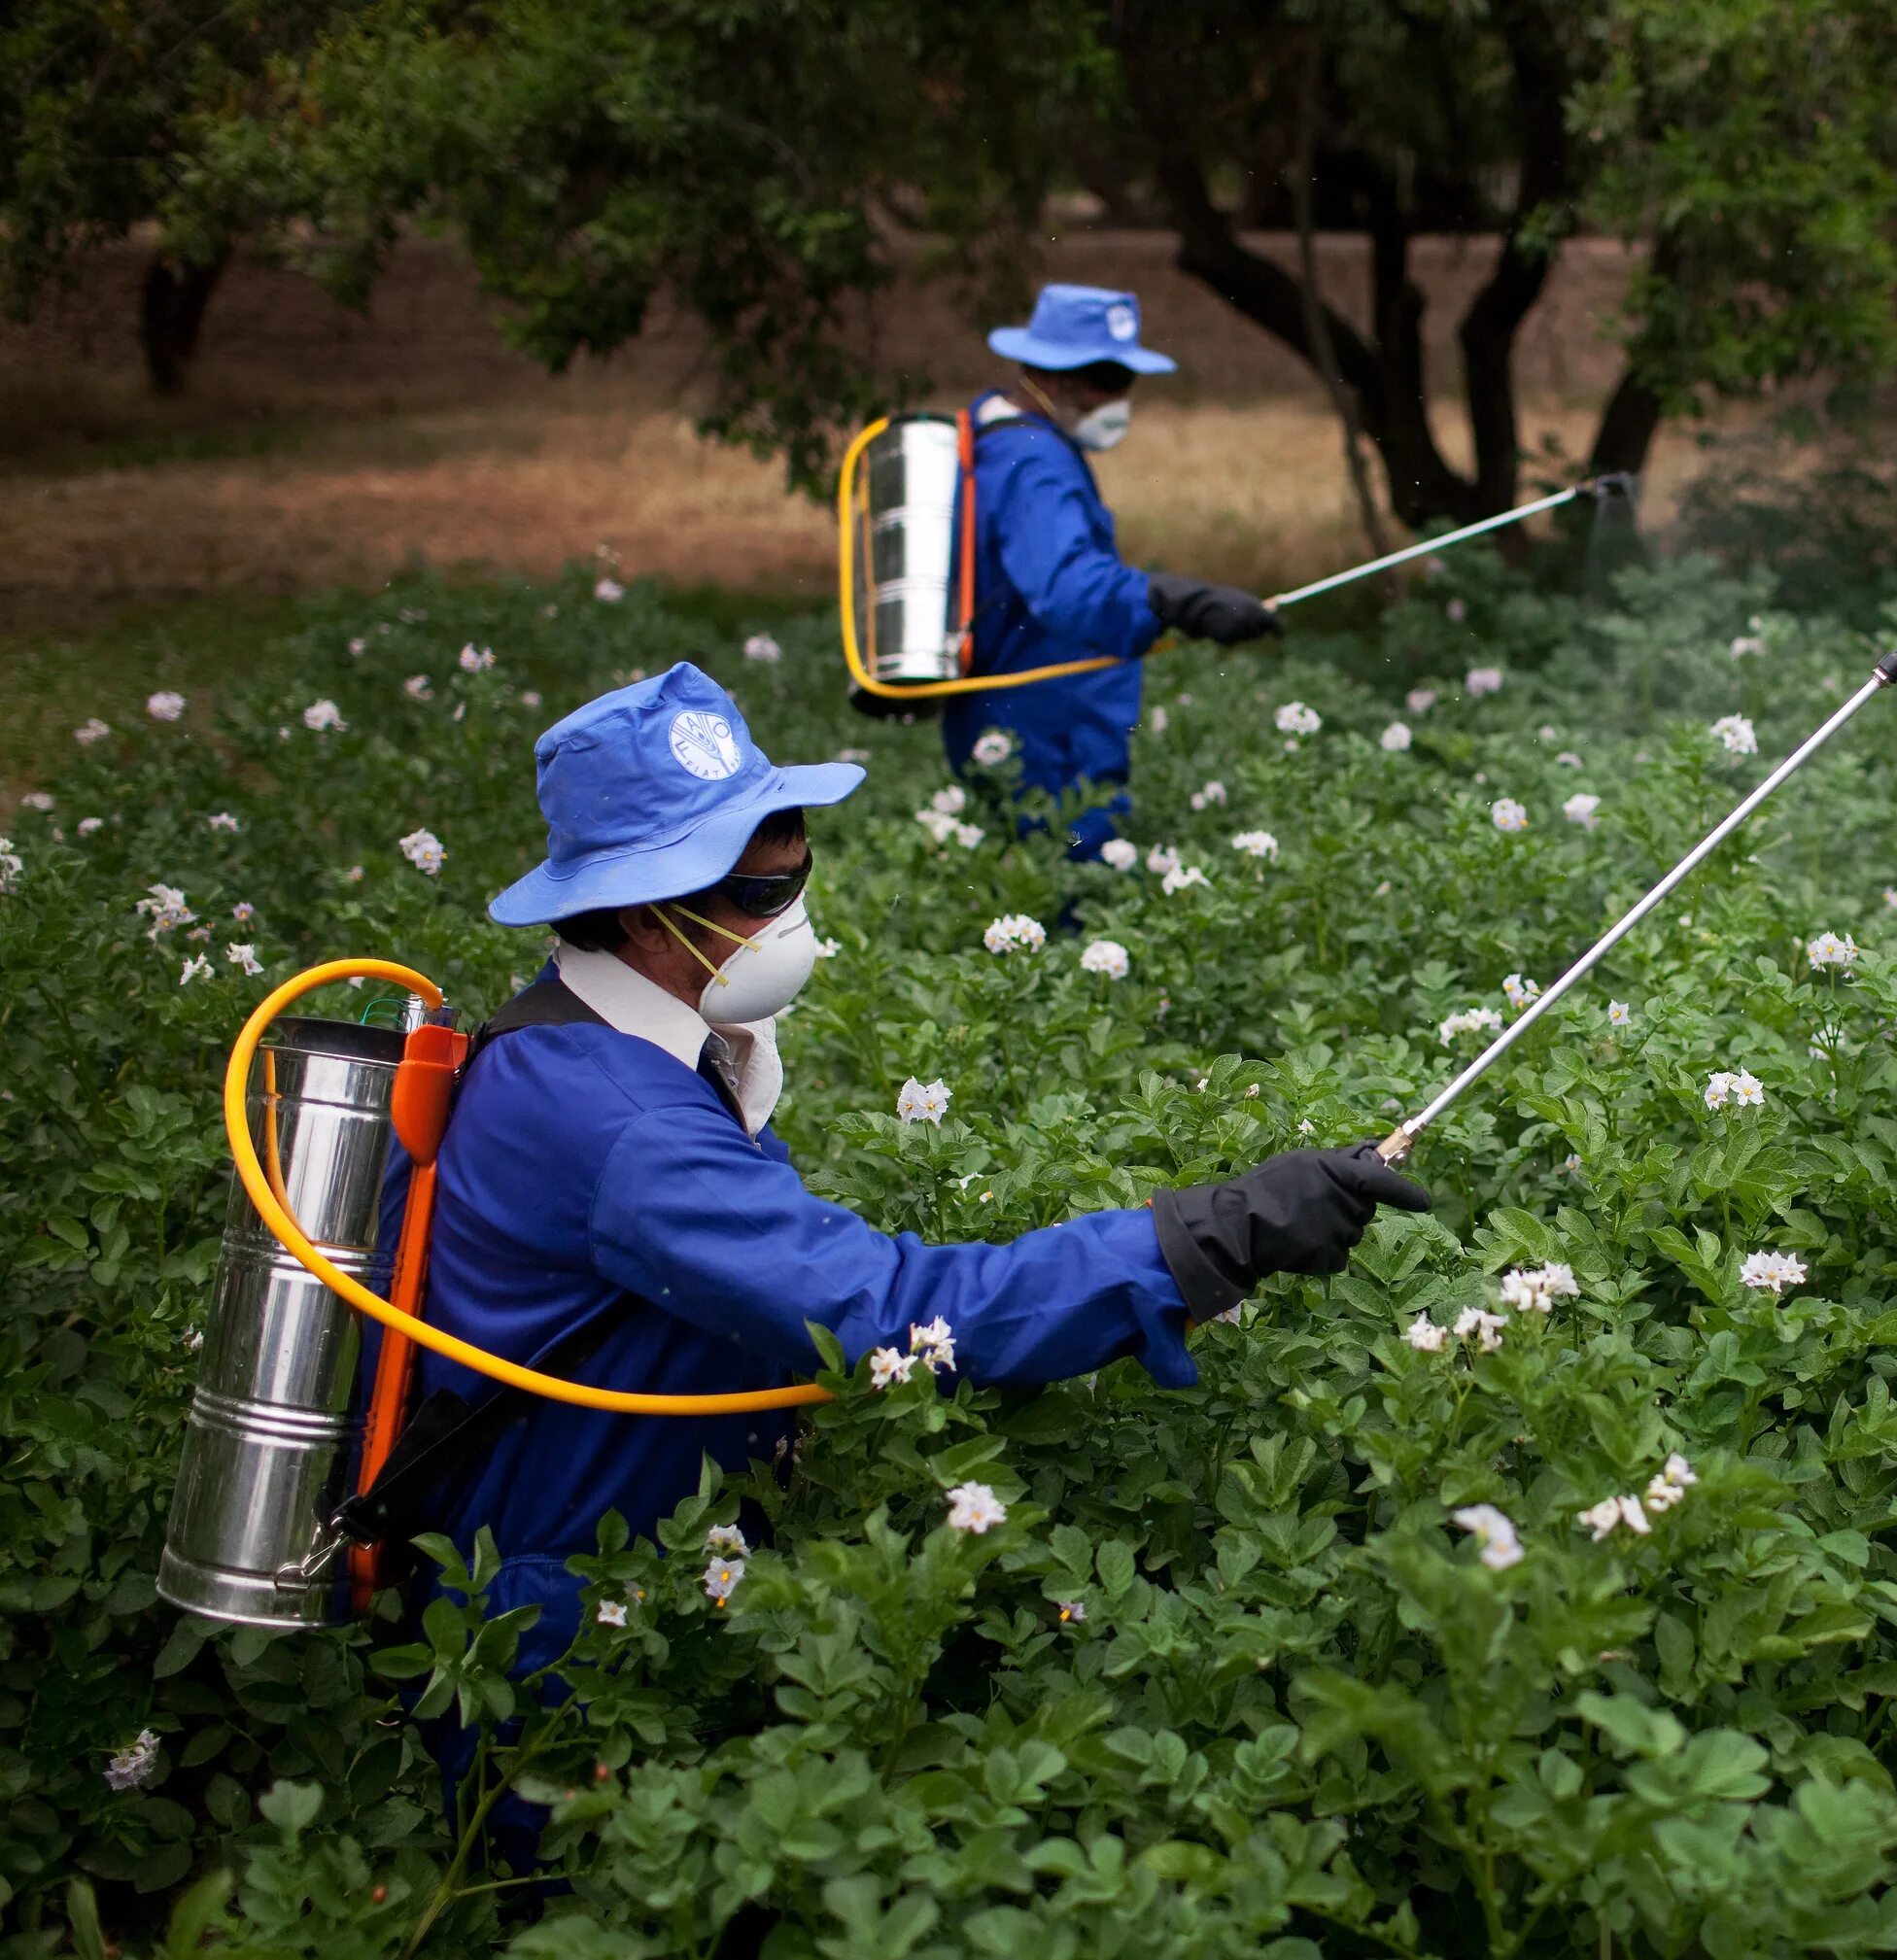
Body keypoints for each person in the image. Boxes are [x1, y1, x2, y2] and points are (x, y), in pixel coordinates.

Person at [364, 662, 1424, 1859]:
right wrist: (1216, 1230)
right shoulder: (619, 1122)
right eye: (761, 886)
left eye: (796, 863)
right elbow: (895, 1312)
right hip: (557, 1631)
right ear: (644, 907)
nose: (790, 909)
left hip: (649, 1578)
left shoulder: (605, 1044)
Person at [939, 284, 1277, 855]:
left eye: (1125, 380)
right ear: (1048, 375)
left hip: (1033, 718)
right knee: (1067, 888)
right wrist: (1180, 602)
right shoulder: (1034, 463)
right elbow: (1069, 590)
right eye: (1105, 379)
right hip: (1046, 733)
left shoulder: (1009, 437)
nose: (1118, 399)